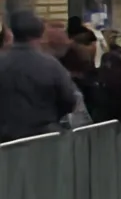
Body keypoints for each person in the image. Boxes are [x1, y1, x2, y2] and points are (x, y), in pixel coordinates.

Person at [0, 10, 80, 142]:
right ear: (41, 34)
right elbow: (69, 99)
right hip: (43, 137)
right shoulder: (51, 65)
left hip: (5, 139)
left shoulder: (2, 62)